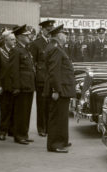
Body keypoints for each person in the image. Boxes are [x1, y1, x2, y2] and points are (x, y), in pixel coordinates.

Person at [44, 24, 76, 153]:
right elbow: (54, 71)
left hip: (63, 88)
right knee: (57, 117)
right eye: (65, 34)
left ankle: (62, 140)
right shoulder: (56, 49)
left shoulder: (55, 47)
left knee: (62, 116)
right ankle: (55, 144)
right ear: (59, 35)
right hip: (60, 89)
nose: (66, 36)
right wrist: (56, 90)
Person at [10, 25, 36, 145]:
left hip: (28, 86)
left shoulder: (25, 49)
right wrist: (16, 87)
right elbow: (14, 70)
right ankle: (19, 135)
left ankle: (24, 134)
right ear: (20, 37)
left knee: (26, 111)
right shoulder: (16, 50)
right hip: (21, 87)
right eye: (26, 35)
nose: (29, 37)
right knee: (20, 112)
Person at [29, 19, 55, 138]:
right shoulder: (36, 44)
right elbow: (32, 63)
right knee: (41, 104)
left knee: (50, 104)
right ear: (42, 30)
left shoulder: (54, 43)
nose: (49, 32)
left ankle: (49, 127)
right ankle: (41, 128)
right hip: (41, 79)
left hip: (51, 78)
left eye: (51, 30)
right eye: (47, 30)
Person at [0, 30, 16, 141]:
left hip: (13, 85)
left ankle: (11, 130)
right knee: (4, 109)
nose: (14, 41)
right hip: (3, 85)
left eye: (14, 39)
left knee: (13, 108)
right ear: (5, 40)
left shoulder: (15, 51)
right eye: (12, 39)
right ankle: (2, 131)